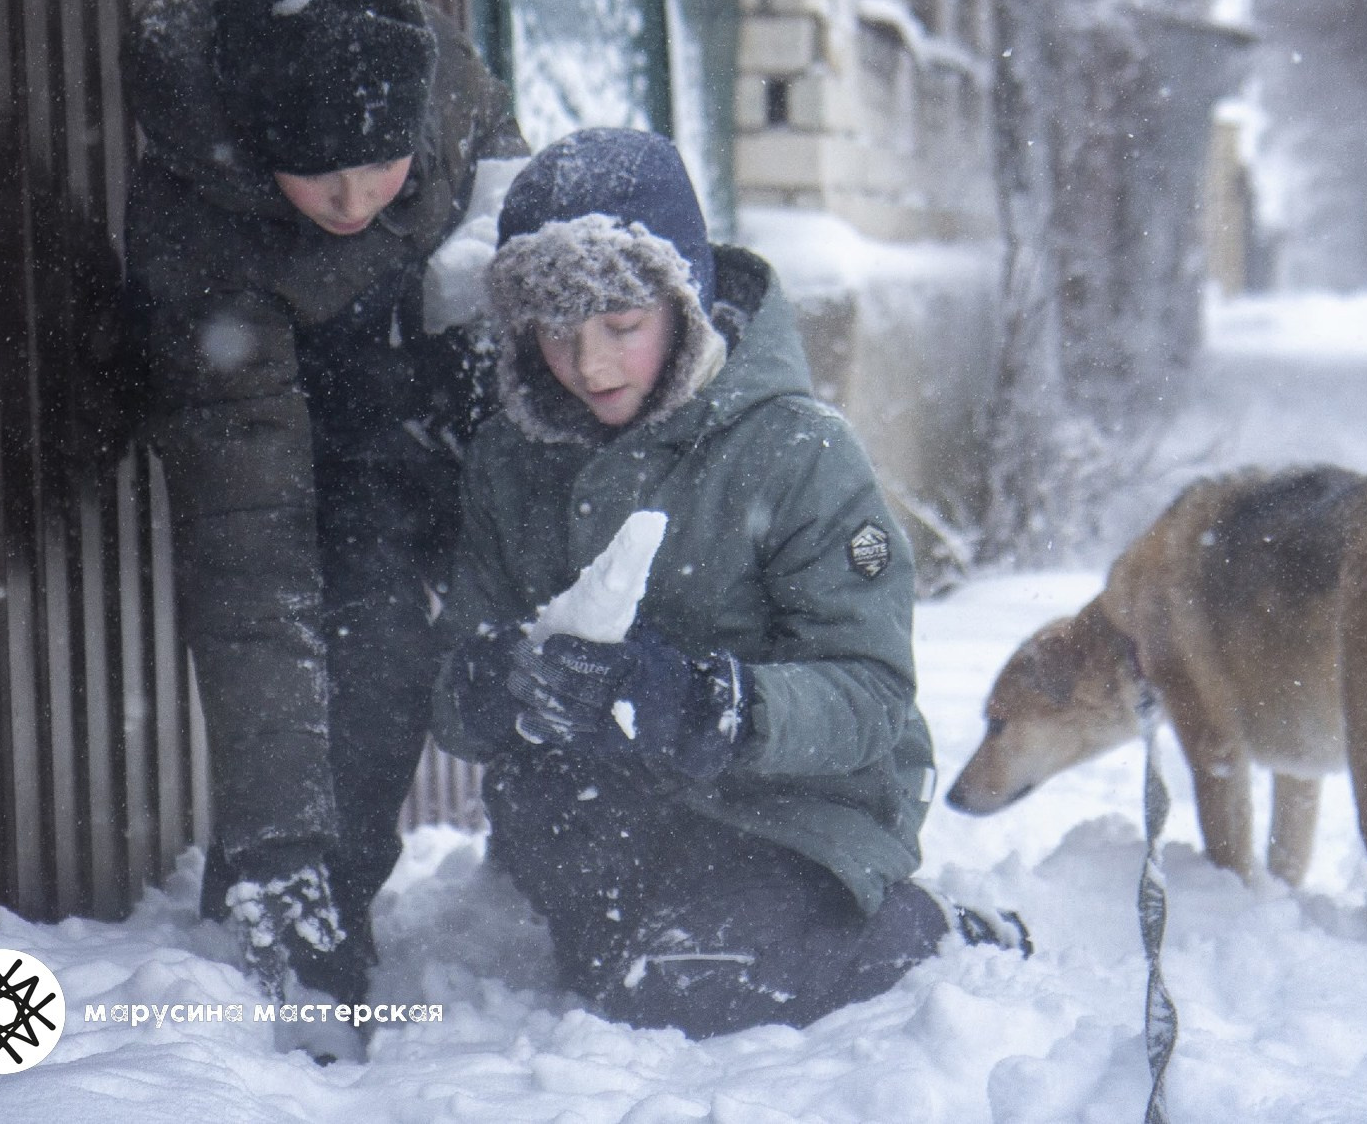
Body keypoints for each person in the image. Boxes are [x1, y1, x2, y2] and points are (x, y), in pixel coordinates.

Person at [431, 128, 1025, 1038]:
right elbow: (449, 680)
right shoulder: (511, 461)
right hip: (600, 807)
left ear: (686, 302)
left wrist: (710, 704)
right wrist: (501, 682)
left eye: (621, 328)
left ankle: (931, 930)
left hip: (789, 804)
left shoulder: (799, 452)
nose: (588, 365)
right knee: (611, 973)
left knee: (683, 985)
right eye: (557, 332)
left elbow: (870, 697)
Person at [121, 0, 528, 1005]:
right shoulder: (196, 232)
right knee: (374, 645)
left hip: (437, 382)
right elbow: (251, 561)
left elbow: (510, 203)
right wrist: (278, 848)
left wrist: (468, 312)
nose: (355, 203)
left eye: (377, 171)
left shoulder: (444, 92)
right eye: (321, 178)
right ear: (261, 148)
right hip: (302, 428)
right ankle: (305, 906)